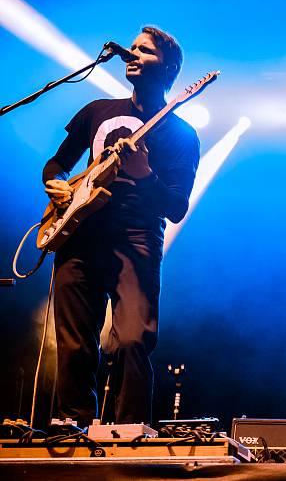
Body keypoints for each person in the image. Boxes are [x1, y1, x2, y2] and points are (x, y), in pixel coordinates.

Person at [42, 26, 200, 428]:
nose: (132, 54)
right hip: (80, 231)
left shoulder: (181, 134)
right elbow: (58, 163)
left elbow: (178, 208)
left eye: (144, 51)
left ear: (168, 68)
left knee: (131, 340)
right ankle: (70, 426)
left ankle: (129, 433)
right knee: (76, 342)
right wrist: (56, 183)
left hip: (137, 236)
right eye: (131, 48)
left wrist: (144, 174)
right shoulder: (97, 110)